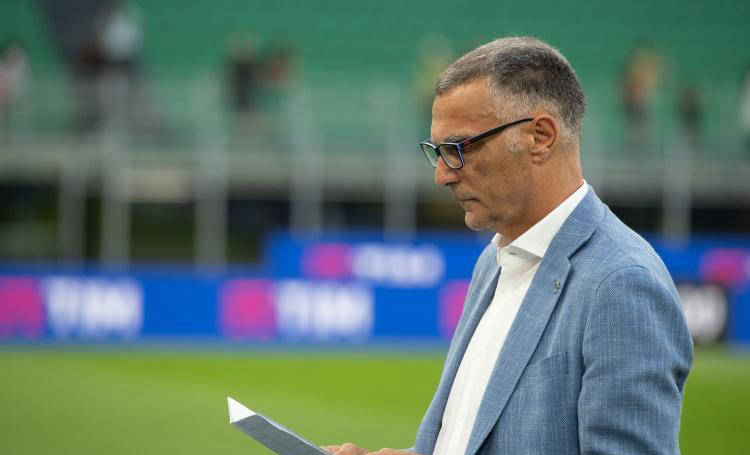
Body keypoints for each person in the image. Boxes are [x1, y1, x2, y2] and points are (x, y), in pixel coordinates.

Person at [325, 36, 693, 455]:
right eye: (437, 151)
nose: (442, 175)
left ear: (540, 136)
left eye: (459, 148)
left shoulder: (621, 283)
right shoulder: (494, 260)